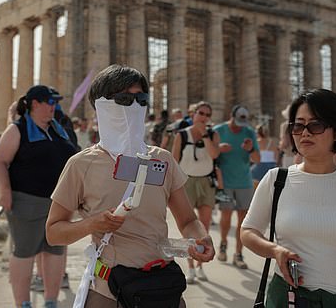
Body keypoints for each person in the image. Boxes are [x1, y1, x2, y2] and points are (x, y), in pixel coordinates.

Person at [46, 65, 214, 308]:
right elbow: (53, 233)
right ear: (101, 106)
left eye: (141, 99)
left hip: (160, 288)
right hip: (109, 292)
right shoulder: (81, 164)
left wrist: (201, 238)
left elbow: (188, 220)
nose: (134, 106)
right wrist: (92, 224)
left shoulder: (162, 159)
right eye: (124, 99)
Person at [241, 89, 336, 307]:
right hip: (288, 298)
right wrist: (275, 251)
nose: (304, 133)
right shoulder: (276, 179)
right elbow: (247, 231)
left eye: (315, 125)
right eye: (298, 126)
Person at [0, 85, 77, 308]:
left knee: (55, 252)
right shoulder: (17, 129)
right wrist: (4, 190)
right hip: (27, 201)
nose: (54, 107)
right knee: (25, 253)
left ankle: (51, 301)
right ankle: (23, 303)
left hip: (59, 204)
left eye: (55, 103)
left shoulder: (58, 129)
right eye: (50, 102)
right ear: (35, 104)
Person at [172, 101, 221, 284]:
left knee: (204, 227)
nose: (204, 117)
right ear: (193, 113)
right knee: (188, 227)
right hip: (186, 181)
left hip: (206, 181)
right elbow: (174, 160)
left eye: (208, 115)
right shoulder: (181, 135)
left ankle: (200, 266)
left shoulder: (213, 134)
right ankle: (191, 268)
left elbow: (215, 155)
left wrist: (206, 136)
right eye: (201, 113)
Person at [213, 105, 260, 269]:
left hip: (244, 182)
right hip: (224, 183)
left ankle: (238, 254)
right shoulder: (218, 130)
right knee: (225, 217)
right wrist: (218, 149)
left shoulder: (249, 132)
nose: (240, 127)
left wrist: (251, 149)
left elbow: (258, 158)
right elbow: (209, 153)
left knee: (243, 221)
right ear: (231, 116)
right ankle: (223, 244)